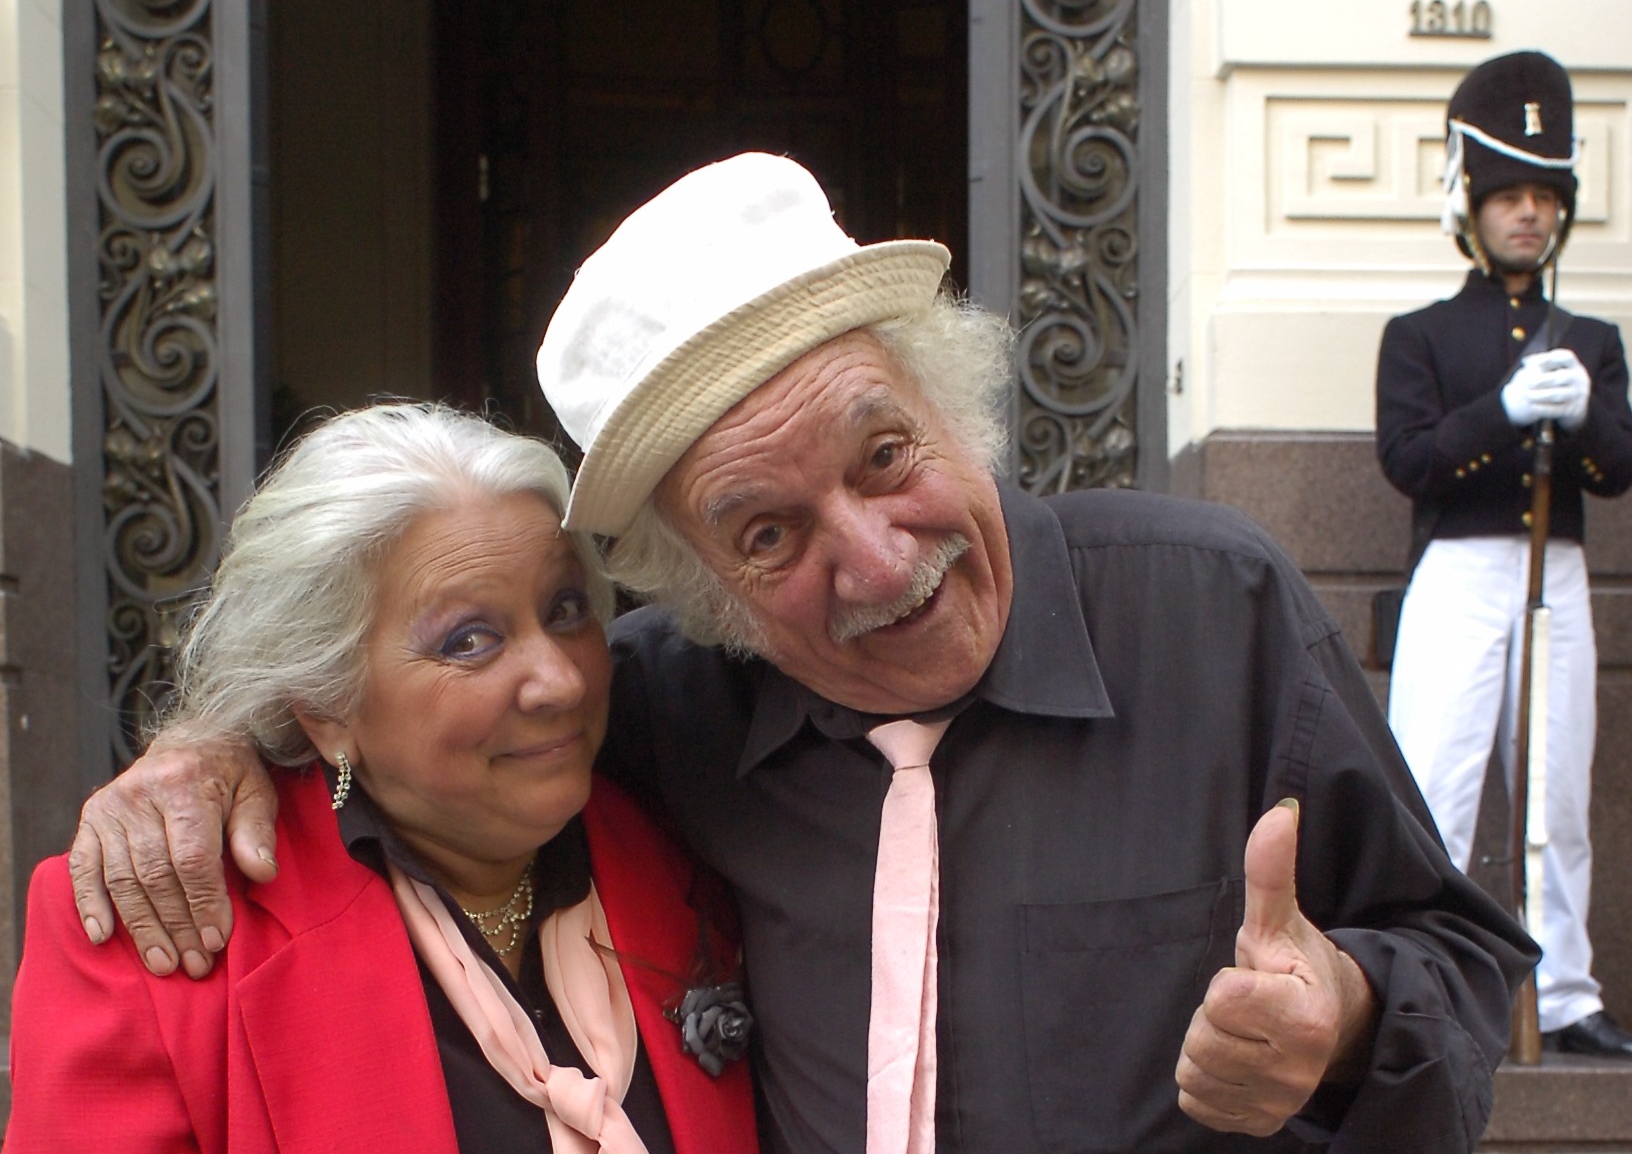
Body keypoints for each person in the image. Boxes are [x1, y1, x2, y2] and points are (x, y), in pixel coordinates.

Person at [72, 154, 1533, 1152]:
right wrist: (209, 746)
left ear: (949, 398)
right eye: (766, 533)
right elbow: (432, 714)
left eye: (885, 453)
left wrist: (1347, 1014)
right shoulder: (657, 704)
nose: (881, 562)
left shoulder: (1218, 611)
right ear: (699, 586)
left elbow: (1462, 956)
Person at [9, 403, 759, 1152]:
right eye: (470, 640)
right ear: (326, 706)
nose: (560, 681)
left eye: (565, 609)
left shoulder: (685, 835)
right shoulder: (158, 926)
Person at [1376, 50, 1632, 1058]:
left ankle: (1563, 994)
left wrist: (1586, 416)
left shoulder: (1592, 340)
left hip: (1553, 573)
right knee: (1435, 784)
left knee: (1557, 796)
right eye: (1508, 196)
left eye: (1543, 198)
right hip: (1460, 573)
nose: (1528, 214)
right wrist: (1505, 410)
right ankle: (1424, 981)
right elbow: (1410, 459)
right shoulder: (1422, 335)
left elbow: (1618, 468)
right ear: (1473, 207)